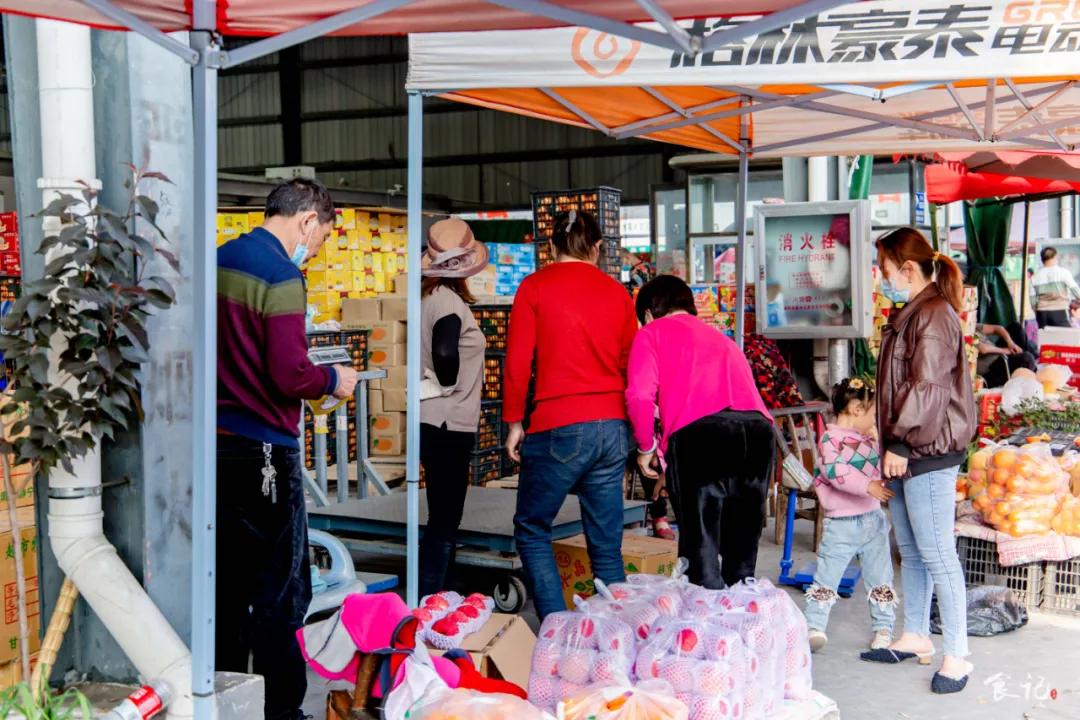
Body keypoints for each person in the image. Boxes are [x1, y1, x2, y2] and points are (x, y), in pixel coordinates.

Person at [216, 179, 359, 720]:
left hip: (215, 450)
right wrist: (331, 379)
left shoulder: (221, 260)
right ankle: (281, 708)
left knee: (225, 587)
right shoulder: (280, 273)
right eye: (319, 240)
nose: (314, 251)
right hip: (266, 453)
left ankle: (227, 699)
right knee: (280, 589)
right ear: (306, 221)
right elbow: (287, 372)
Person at [504, 210, 638, 620]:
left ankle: (556, 631)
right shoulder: (618, 293)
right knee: (606, 545)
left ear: (550, 247)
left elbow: (517, 362)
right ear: (597, 248)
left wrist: (513, 422)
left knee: (532, 528)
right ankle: (617, 640)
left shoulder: (535, 287)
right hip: (613, 426)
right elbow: (630, 364)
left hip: (558, 425)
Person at [865, 227, 977, 695]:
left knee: (938, 555)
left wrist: (902, 443)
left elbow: (926, 389)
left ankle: (958, 654)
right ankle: (915, 634)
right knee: (911, 550)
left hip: (927, 449)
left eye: (885, 269)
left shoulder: (931, 314)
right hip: (910, 446)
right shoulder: (914, 311)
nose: (881, 277)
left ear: (907, 269)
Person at [625, 275, 774, 589]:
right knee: (742, 550)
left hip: (702, 435)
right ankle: (741, 624)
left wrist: (645, 447)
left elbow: (639, 396)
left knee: (701, 546)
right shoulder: (720, 337)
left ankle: (705, 628)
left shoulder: (652, 333)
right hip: (759, 434)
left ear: (649, 313)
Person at [419, 218, 488, 596]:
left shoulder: (427, 298)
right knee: (446, 517)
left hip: (432, 419)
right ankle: (431, 598)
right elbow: (446, 350)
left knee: (439, 514)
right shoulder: (448, 301)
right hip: (450, 421)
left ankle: (442, 593)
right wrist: (448, 381)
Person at [805, 378, 896, 654]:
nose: (874, 419)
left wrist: (879, 441)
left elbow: (881, 468)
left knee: (881, 576)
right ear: (856, 408)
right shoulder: (829, 440)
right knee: (827, 575)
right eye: (872, 413)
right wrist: (867, 486)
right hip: (841, 523)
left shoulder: (868, 439)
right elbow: (836, 474)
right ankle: (814, 626)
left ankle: (884, 627)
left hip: (873, 519)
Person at [976, 322, 1038, 388]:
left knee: (1016, 327)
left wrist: (1010, 343)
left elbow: (996, 328)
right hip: (991, 369)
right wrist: (1006, 351)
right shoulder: (965, 334)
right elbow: (983, 349)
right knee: (1027, 359)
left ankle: (1030, 368)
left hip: (998, 354)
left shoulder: (970, 324)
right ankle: (1030, 367)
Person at [1031, 247, 1080, 328]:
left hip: (1041, 314)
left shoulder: (1035, 277)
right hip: (1059, 311)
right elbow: (1076, 291)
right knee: (1065, 337)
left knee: (1046, 338)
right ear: (1055, 257)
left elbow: (1032, 301)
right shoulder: (1063, 272)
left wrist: (1038, 311)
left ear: (1042, 259)